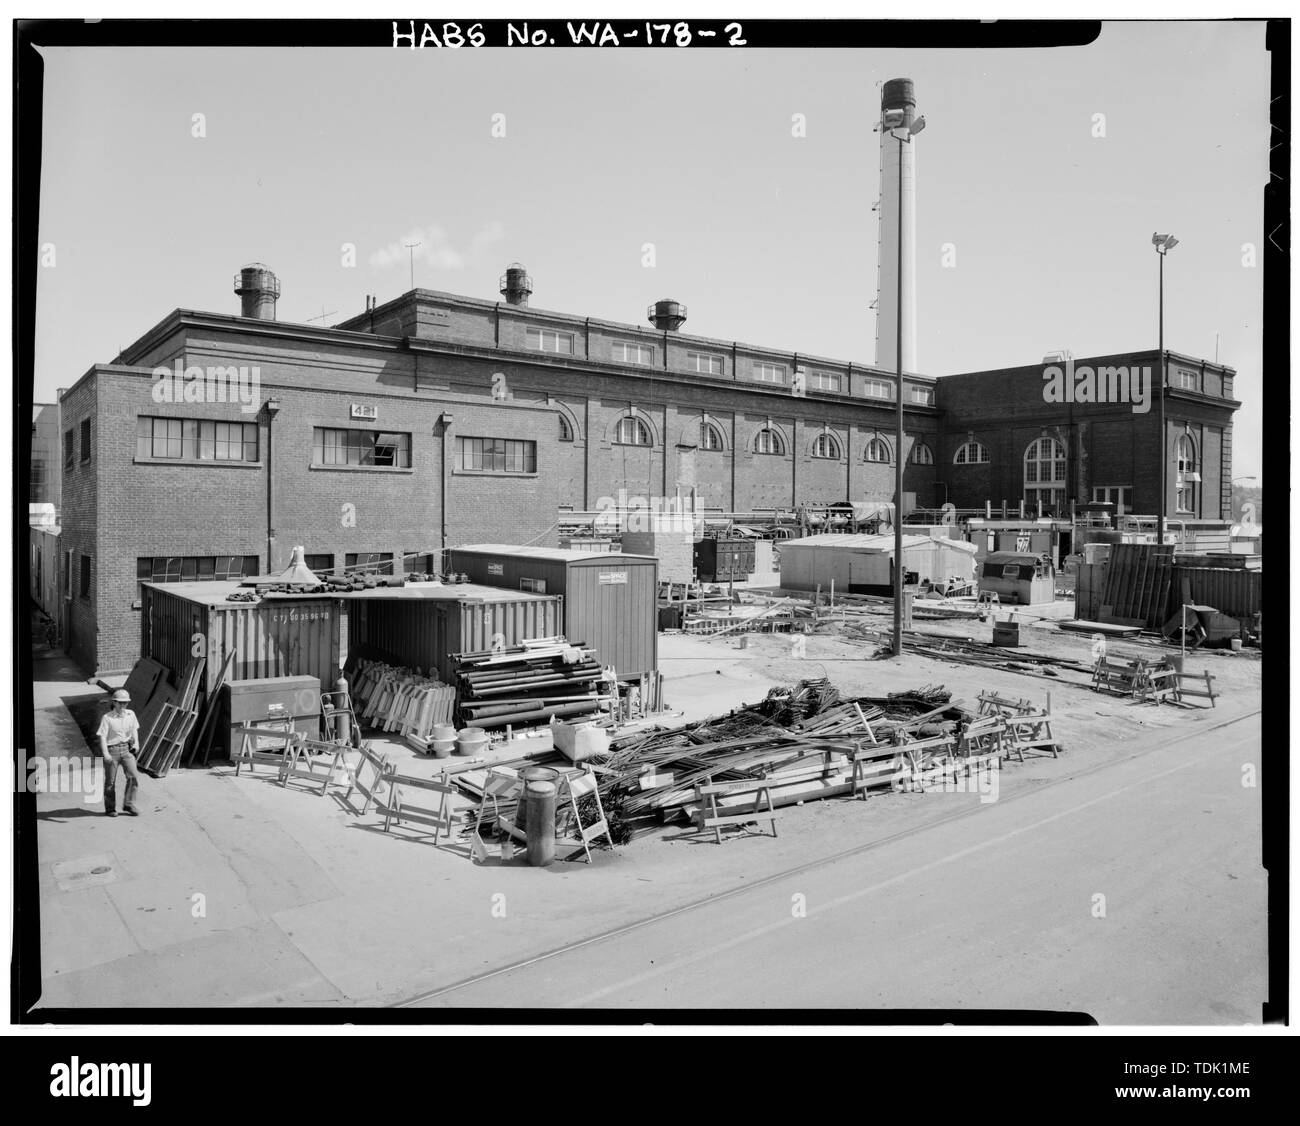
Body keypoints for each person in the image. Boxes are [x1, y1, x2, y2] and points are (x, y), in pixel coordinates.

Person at [96, 688, 141, 817]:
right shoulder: (107, 718)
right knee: (110, 782)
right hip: (112, 751)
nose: (123, 705)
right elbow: (103, 737)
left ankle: (129, 804)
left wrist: (136, 743)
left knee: (133, 777)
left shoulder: (130, 714)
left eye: (125, 703)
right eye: (120, 703)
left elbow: (134, 729)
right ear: (114, 702)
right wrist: (105, 753)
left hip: (127, 750)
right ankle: (110, 809)